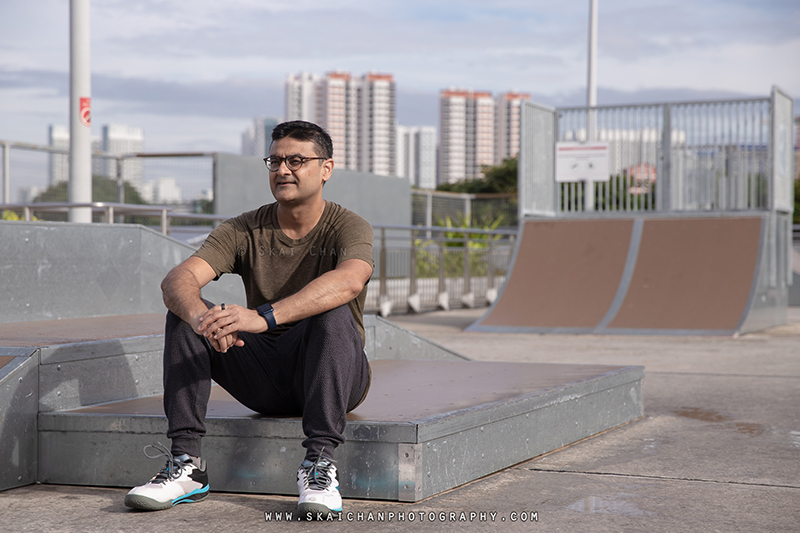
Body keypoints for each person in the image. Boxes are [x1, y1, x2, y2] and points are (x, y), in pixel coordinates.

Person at [124, 120, 374, 519]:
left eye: (296, 160)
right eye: (274, 160)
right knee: (188, 316)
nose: (283, 170)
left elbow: (349, 281)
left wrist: (262, 317)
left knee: (333, 314)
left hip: (337, 374)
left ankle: (319, 466)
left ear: (326, 168)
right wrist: (203, 318)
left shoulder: (347, 225)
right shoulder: (244, 228)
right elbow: (179, 279)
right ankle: (188, 465)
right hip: (264, 377)